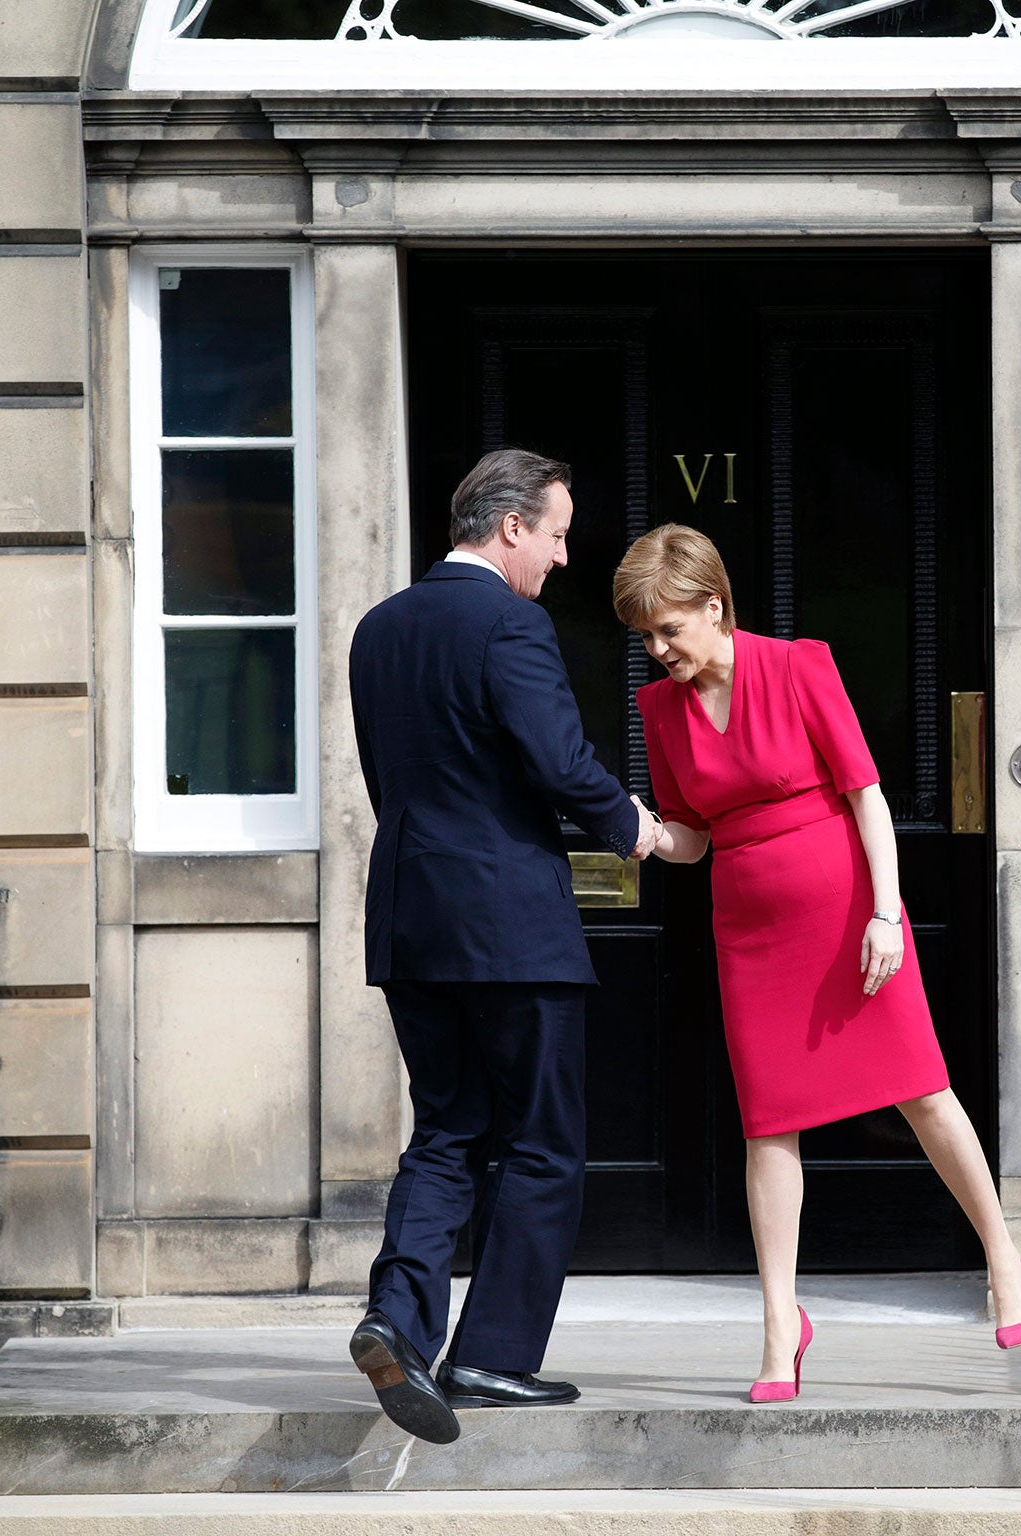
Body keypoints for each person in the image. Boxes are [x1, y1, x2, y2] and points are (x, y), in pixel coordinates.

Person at [614, 523, 1021, 1402]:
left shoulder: (801, 666)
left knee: (922, 1089)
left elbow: (867, 796)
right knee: (770, 1126)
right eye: (645, 638)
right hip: (750, 933)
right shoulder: (660, 710)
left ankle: (1004, 1260)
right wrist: (648, 833)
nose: (658, 652)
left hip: (852, 915)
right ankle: (781, 1326)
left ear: (713, 604)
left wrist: (888, 915)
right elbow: (697, 836)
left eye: (669, 630)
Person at [347, 448, 659, 1443]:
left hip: (409, 918)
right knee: (539, 1142)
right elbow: (558, 762)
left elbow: (390, 779)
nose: (561, 558)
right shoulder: (509, 624)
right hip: (508, 930)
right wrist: (642, 830)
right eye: (558, 534)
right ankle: (488, 1358)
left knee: (445, 1131)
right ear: (511, 525)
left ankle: (395, 1318)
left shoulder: (378, 628)